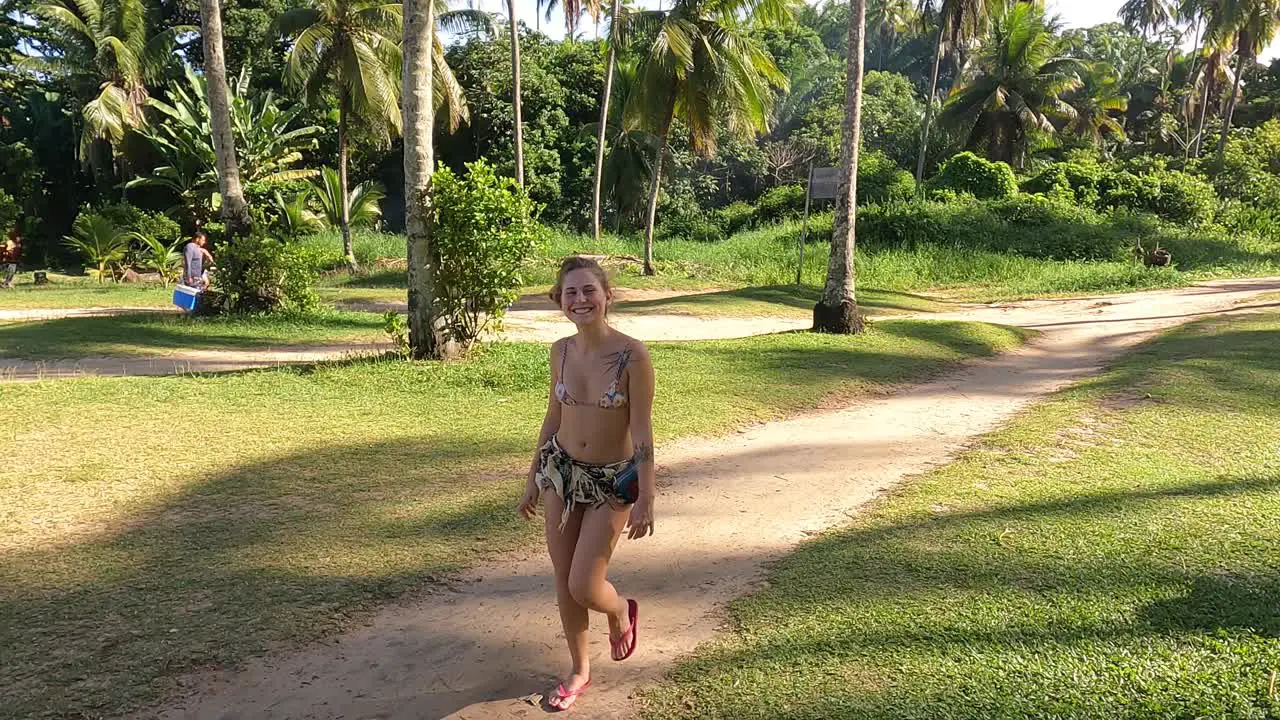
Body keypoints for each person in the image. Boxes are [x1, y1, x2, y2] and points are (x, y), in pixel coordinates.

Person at [517, 256, 657, 711]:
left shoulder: (632, 355)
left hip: (612, 480)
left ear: (607, 295)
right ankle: (579, 669)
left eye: (589, 291)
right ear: (560, 300)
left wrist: (646, 494)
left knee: (584, 584)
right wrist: (533, 477)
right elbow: (553, 415)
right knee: (563, 579)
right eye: (571, 293)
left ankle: (619, 611)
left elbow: (642, 430)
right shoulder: (559, 351)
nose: (580, 300)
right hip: (561, 470)